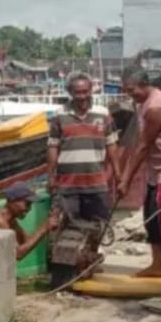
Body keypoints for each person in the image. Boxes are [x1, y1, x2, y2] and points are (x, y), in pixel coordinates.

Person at [118, 67, 161, 280]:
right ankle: (157, 263)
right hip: (154, 169)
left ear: (144, 85)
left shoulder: (155, 107)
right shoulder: (142, 104)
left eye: (132, 90)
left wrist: (126, 178)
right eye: (127, 91)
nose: (131, 95)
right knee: (150, 218)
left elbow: (144, 145)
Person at [47, 72, 121, 223]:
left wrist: (117, 174)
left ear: (91, 89)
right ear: (70, 92)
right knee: (67, 228)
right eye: (77, 92)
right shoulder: (59, 115)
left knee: (98, 228)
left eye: (85, 91)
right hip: (67, 184)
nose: (82, 96)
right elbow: (53, 147)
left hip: (97, 183)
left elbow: (112, 145)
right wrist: (50, 177)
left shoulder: (103, 113)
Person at [0, 183, 61, 260]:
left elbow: (26, 241)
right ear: (12, 200)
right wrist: (43, 228)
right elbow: (18, 254)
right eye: (27, 204)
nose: (29, 209)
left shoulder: (11, 220)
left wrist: (46, 225)